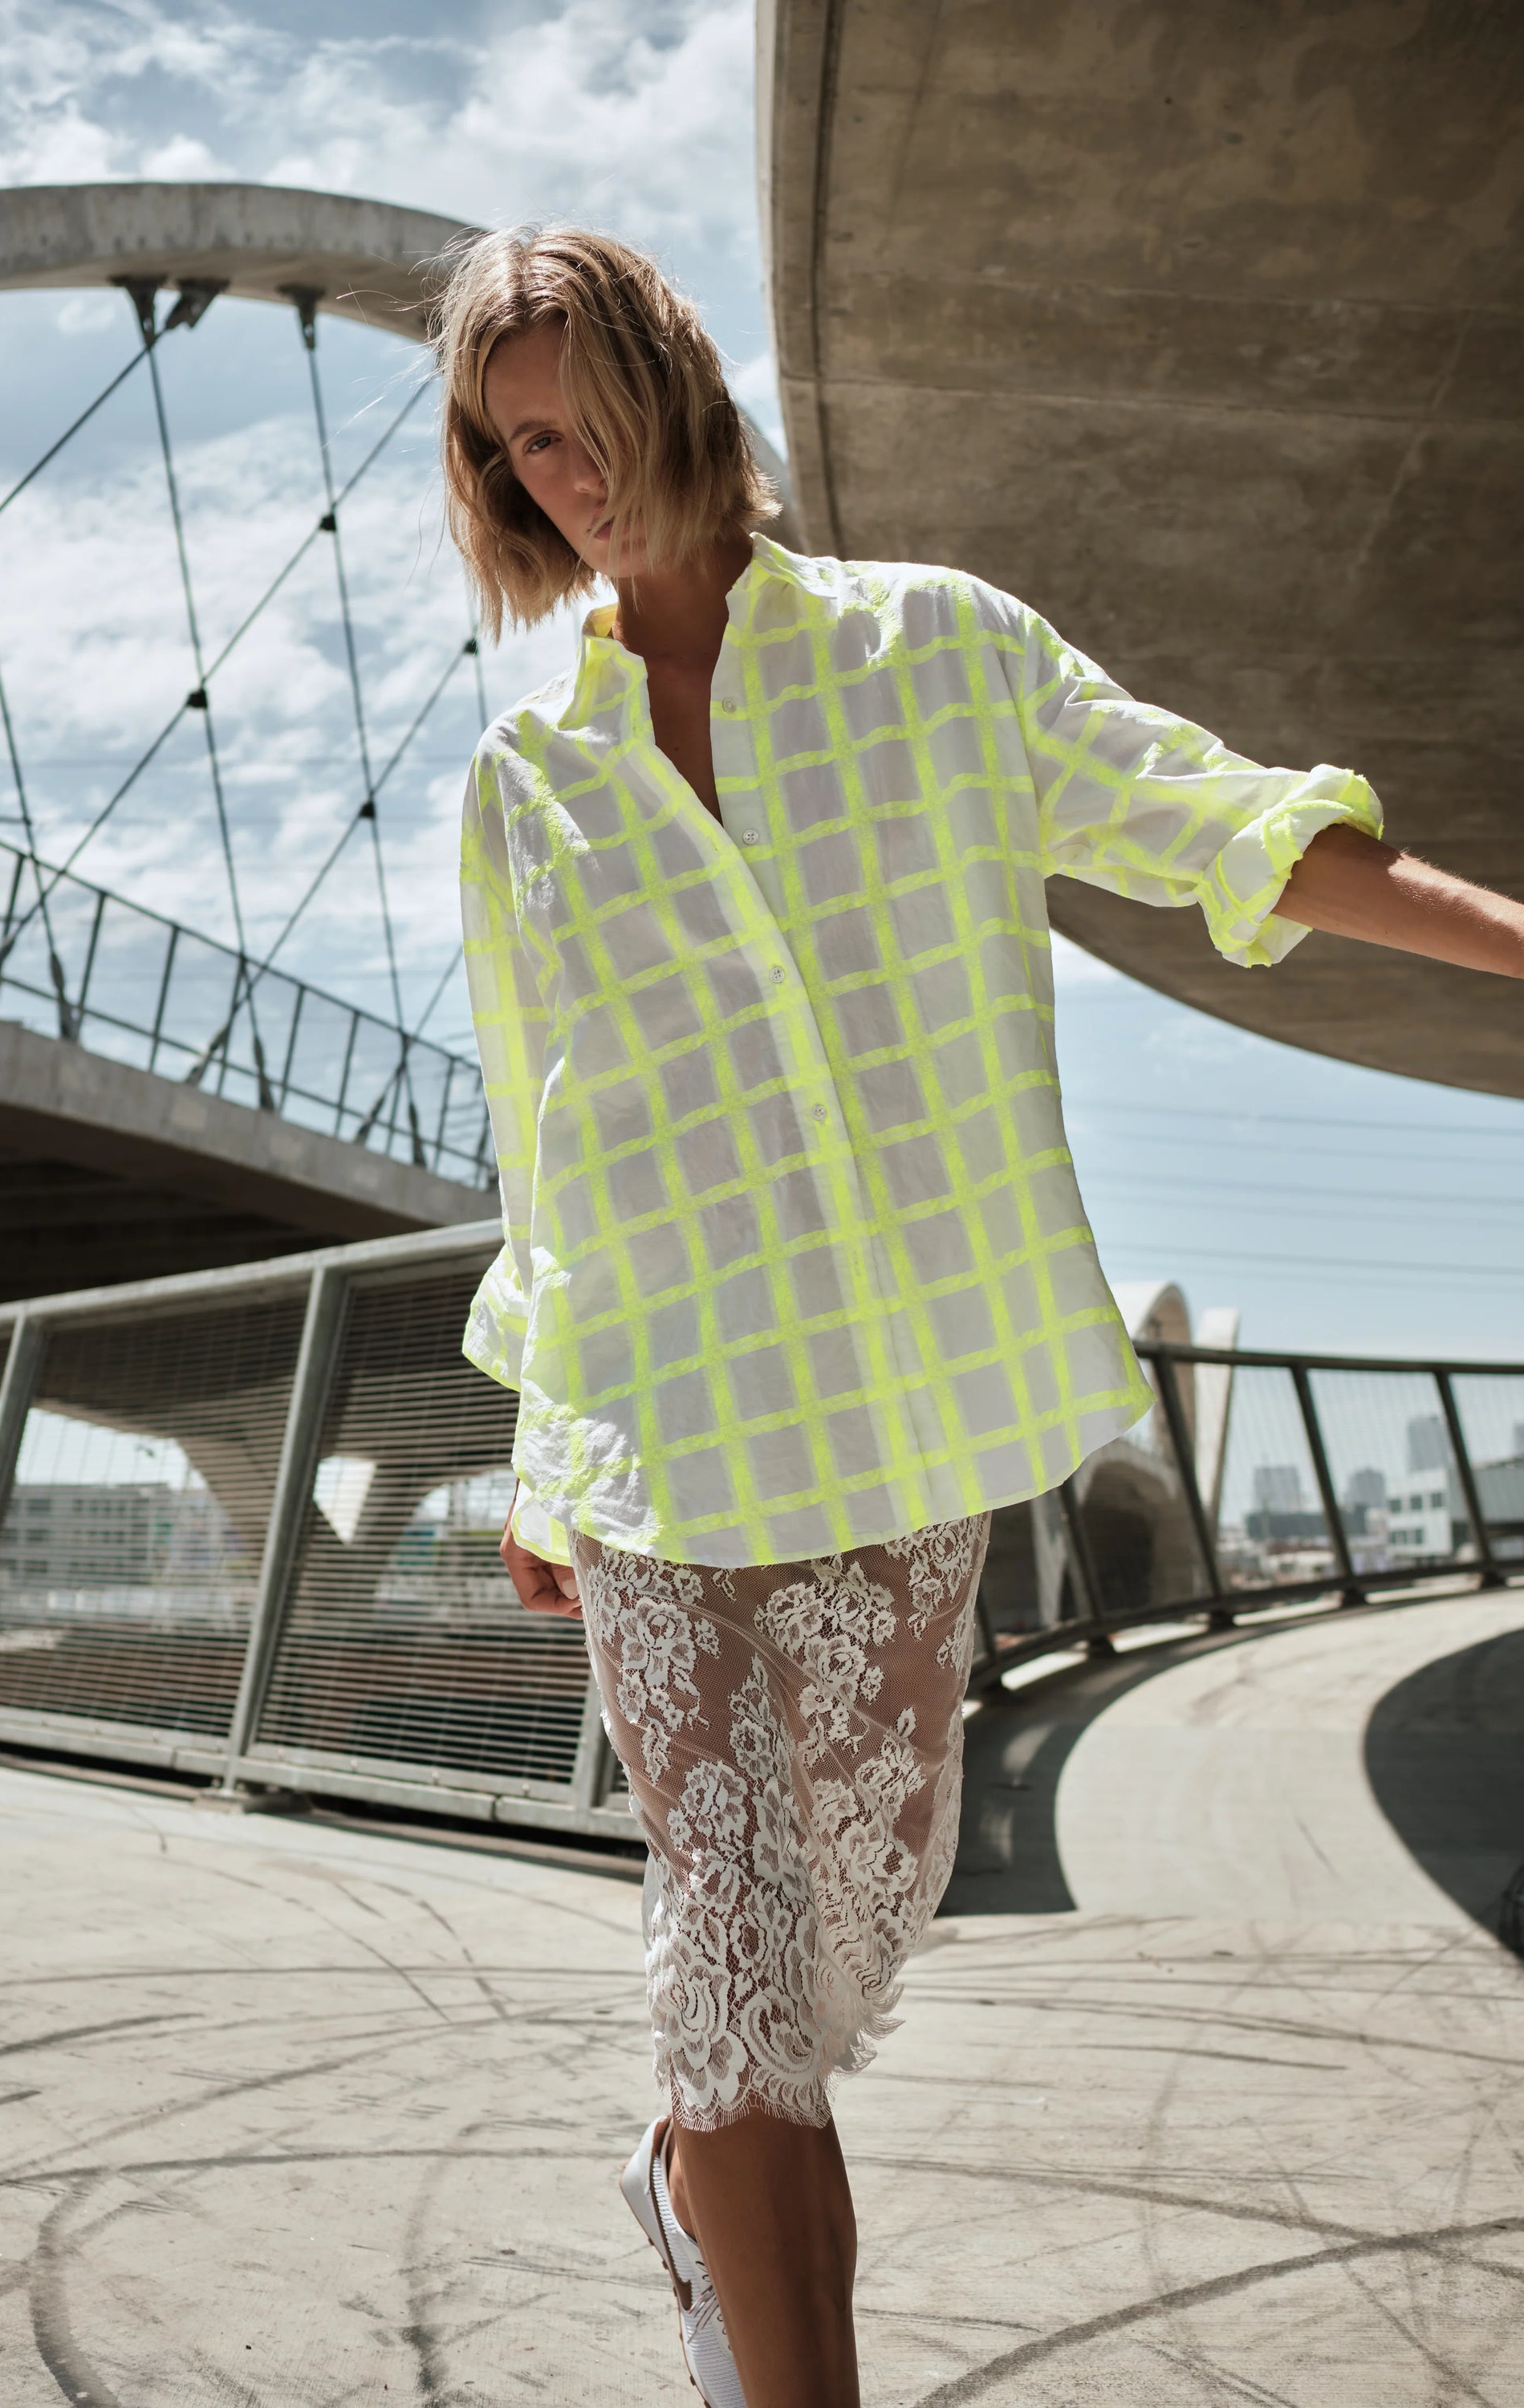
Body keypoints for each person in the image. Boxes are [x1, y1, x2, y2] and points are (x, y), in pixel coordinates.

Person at [433, 225, 1524, 2408]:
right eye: (518, 448)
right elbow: (547, 1149)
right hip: (665, 1433)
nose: (565, 478)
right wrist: (543, 1447)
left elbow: (1228, 827)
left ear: (683, 393)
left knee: (844, 1942)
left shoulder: (941, 656)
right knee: (731, 1965)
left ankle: (687, 2186)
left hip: (902, 1422)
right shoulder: (524, 783)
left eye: (588, 423)